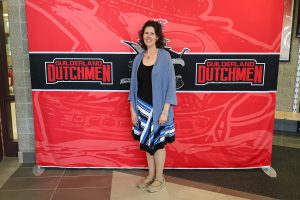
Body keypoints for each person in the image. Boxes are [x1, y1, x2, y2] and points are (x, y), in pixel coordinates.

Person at [128, 20, 177, 193]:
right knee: (147, 144)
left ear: (157, 36)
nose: (148, 36)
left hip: (159, 111)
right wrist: (133, 110)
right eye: (146, 33)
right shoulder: (138, 58)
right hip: (142, 108)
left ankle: (159, 178)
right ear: (143, 36)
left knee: (158, 144)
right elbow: (133, 86)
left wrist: (165, 111)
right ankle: (150, 176)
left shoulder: (164, 57)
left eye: (152, 33)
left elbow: (171, 85)